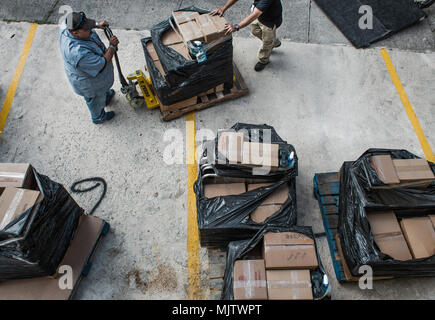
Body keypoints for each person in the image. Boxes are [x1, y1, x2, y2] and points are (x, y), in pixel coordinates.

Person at [59, 12, 119, 124]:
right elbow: (102, 64)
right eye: (87, 29)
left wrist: (96, 24)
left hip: (94, 75)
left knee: (102, 93)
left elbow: (85, 25)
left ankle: (105, 96)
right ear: (76, 33)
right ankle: (98, 117)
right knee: (95, 99)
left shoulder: (67, 24)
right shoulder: (77, 52)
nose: (91, 30)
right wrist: (112, 47)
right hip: (90, 84)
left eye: (89, 25)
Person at [211, 0, 282, 72]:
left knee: (267, 43)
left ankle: (263, 60)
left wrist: (236, 27)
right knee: (255, 31)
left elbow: (255, 14)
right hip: (260, 16)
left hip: (269, 22)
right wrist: (223, 8)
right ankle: (273, 42)